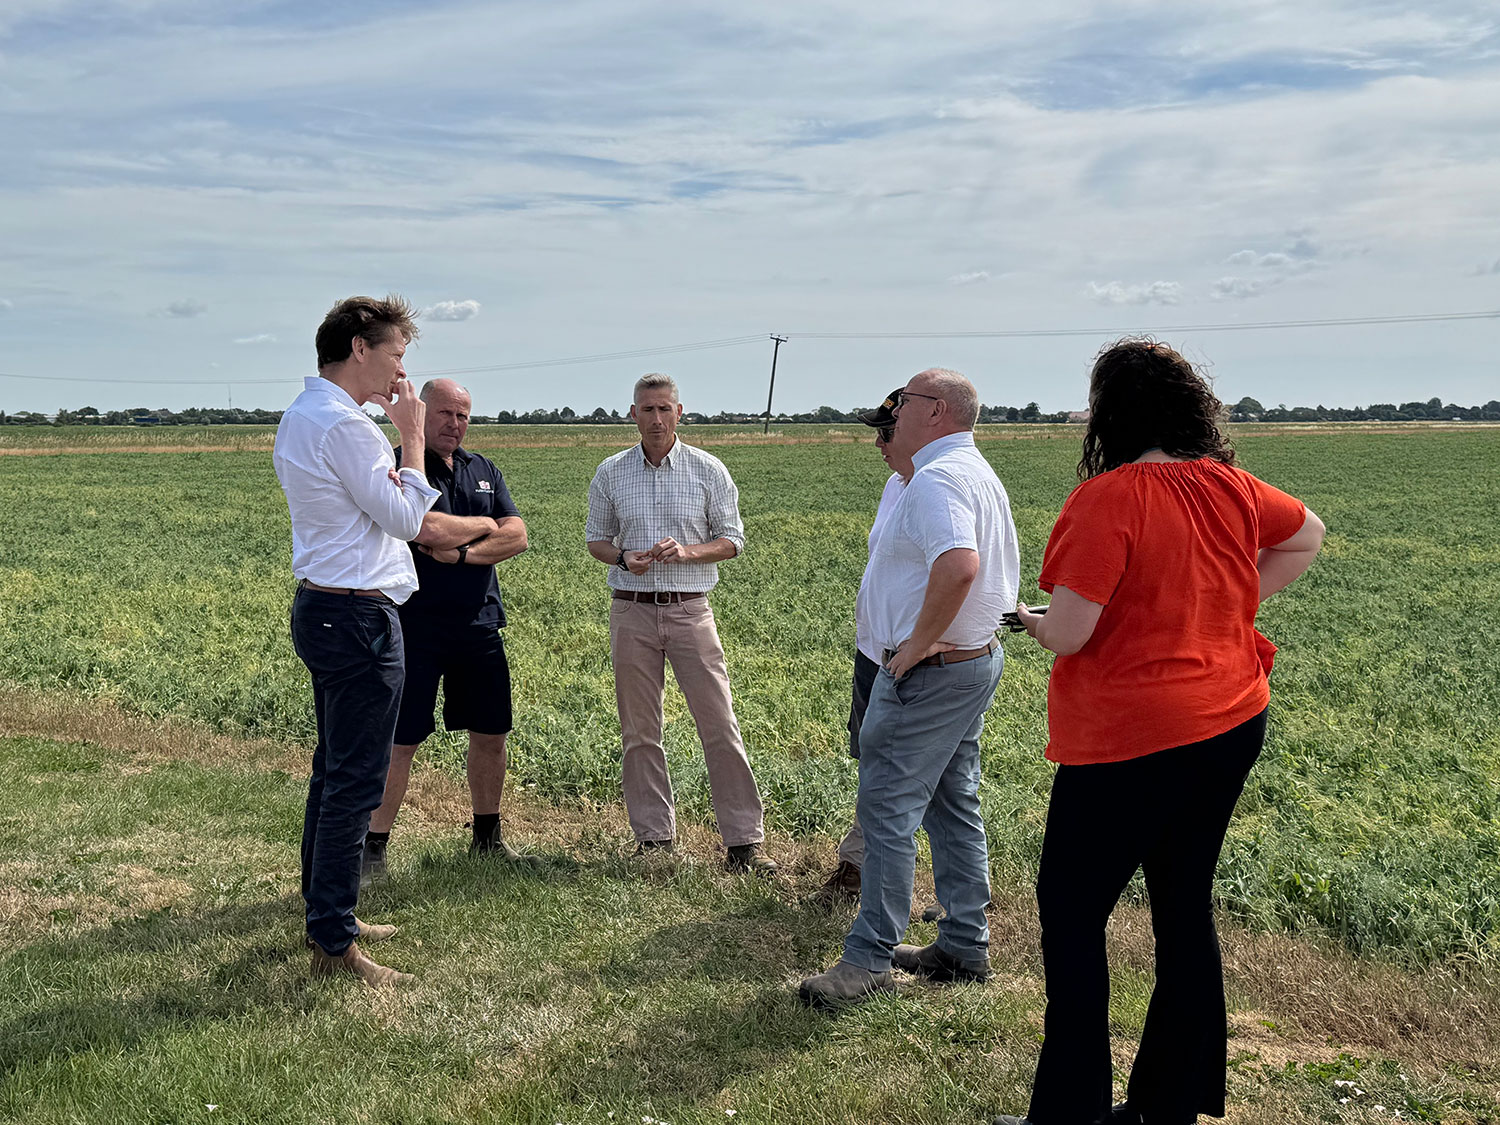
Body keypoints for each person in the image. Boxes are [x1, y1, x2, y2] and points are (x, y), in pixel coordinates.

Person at [993, 338, 1326, 1125]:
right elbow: (1307, 532)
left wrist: (1032, 623)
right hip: (1230, 717)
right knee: (1184, 904)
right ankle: (1167, 1105)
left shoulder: (1108, 498)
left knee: (1072, 915)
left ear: (1111, 413)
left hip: (1130, 737)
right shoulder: (1231, 486)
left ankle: (1068, 1113)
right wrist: (1232, 606)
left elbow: (1073, 633)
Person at [800, 367, 1020, 1006]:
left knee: (886, 810)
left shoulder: (939, 478)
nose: (892, 416)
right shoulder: (970, 472)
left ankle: (868, 960)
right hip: (968, 665)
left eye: (906, 402)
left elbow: (959, 566)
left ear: (938, 410)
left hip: (929, 672)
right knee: (953, 804)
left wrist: (916, 646)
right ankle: (962, 943)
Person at [272, 294, 439, 987]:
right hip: (359, 618)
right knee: (353, 779)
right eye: (398, 353)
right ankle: (335, 939)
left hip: (327, 608)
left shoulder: (303, 415)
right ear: (361, 347)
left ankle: (328, 912)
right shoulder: (348, 428)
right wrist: (413, 436)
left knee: (332, 768)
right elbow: (403, 517)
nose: (404, 370)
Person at [584, 373, 775, 874]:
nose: (656, 419)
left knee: (719, 724)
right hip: (631, 610)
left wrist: (688, 552)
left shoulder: (708, 470)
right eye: (646, 410)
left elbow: (732, 539)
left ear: (679, 412)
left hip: (691, 609)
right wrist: (624, 558)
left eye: (664, 409)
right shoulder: (610, 473)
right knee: (640, 730)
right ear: (632, 415)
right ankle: (654, 841)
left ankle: (743, 844)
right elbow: (596, 541)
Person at [361, 378, 530, 884]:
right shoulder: (400, 467)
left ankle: (487, 839)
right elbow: (424, 528)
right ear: (421, 414)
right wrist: (485, 526)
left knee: (491, 733)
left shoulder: (483, 468)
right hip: (414, 625)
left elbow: (518, 535)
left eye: (463, 416)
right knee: (401, 740)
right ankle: (373, 849)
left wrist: (460, 552)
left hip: (479, 623)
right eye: (444, 415)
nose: (454, 425)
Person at [808, 388, 913, 910]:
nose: (878, 443)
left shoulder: (943, 488)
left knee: (920, 772)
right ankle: (859, 867)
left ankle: (868, 877)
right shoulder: (897, 486)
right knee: (873, 759)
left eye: (886, 432)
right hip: (876, 651)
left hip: (915, 658)